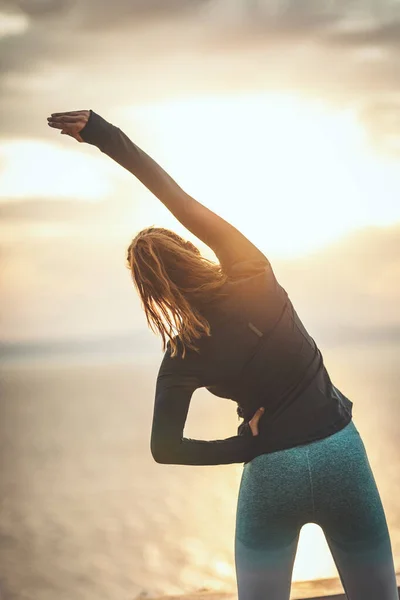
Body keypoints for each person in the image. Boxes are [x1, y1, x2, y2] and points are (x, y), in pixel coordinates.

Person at [47, 109, 398, 600]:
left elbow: (165, 448)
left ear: (152, 295)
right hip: (340, 448)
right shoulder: (251, 268)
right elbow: (177, 198)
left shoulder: (181, 355)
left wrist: (243, 447)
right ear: (192, 252)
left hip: (271, 468)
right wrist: (104, 135)